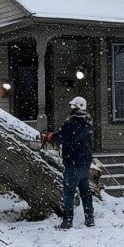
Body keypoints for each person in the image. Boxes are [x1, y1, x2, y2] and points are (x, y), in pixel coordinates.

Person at [46, 96, 95, 229]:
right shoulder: (88, 123)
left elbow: (62, 137)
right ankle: (89, 217)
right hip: (85, 163)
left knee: (68, 192)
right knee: (85, 192)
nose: (71, 109)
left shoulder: (71, 123)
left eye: (73, 106)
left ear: (77, 107)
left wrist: (52, 137)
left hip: (73, 162)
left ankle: (67, 220)